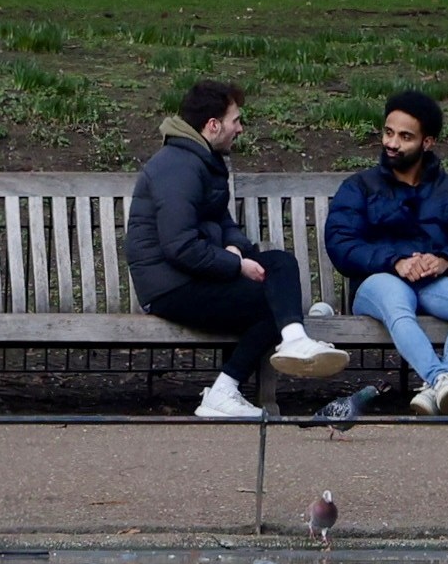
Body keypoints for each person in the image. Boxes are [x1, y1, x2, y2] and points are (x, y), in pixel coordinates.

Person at [126, 80, 349, 419]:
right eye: (236, 120)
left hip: (196, 274)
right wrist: (236, 266)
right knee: (273, 303)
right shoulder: (178, 167)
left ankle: (291, 340)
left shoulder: (203, 159)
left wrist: (236, 247)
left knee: (280, 264)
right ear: (213, 125)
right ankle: (225, 390)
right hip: (171, 287)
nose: (240, 128)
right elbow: (180, 246)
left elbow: (224, 221)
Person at [325, 90, 448, 416]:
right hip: (375, 283)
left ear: (427, 143)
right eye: (388, 132)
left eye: (405, 137)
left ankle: (436, 393)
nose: (392, 143)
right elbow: (342, 243)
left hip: (431, 282)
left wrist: (445, 259)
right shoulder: (359, 187)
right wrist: (395, 261)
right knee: (395, 296)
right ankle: (440, 379)